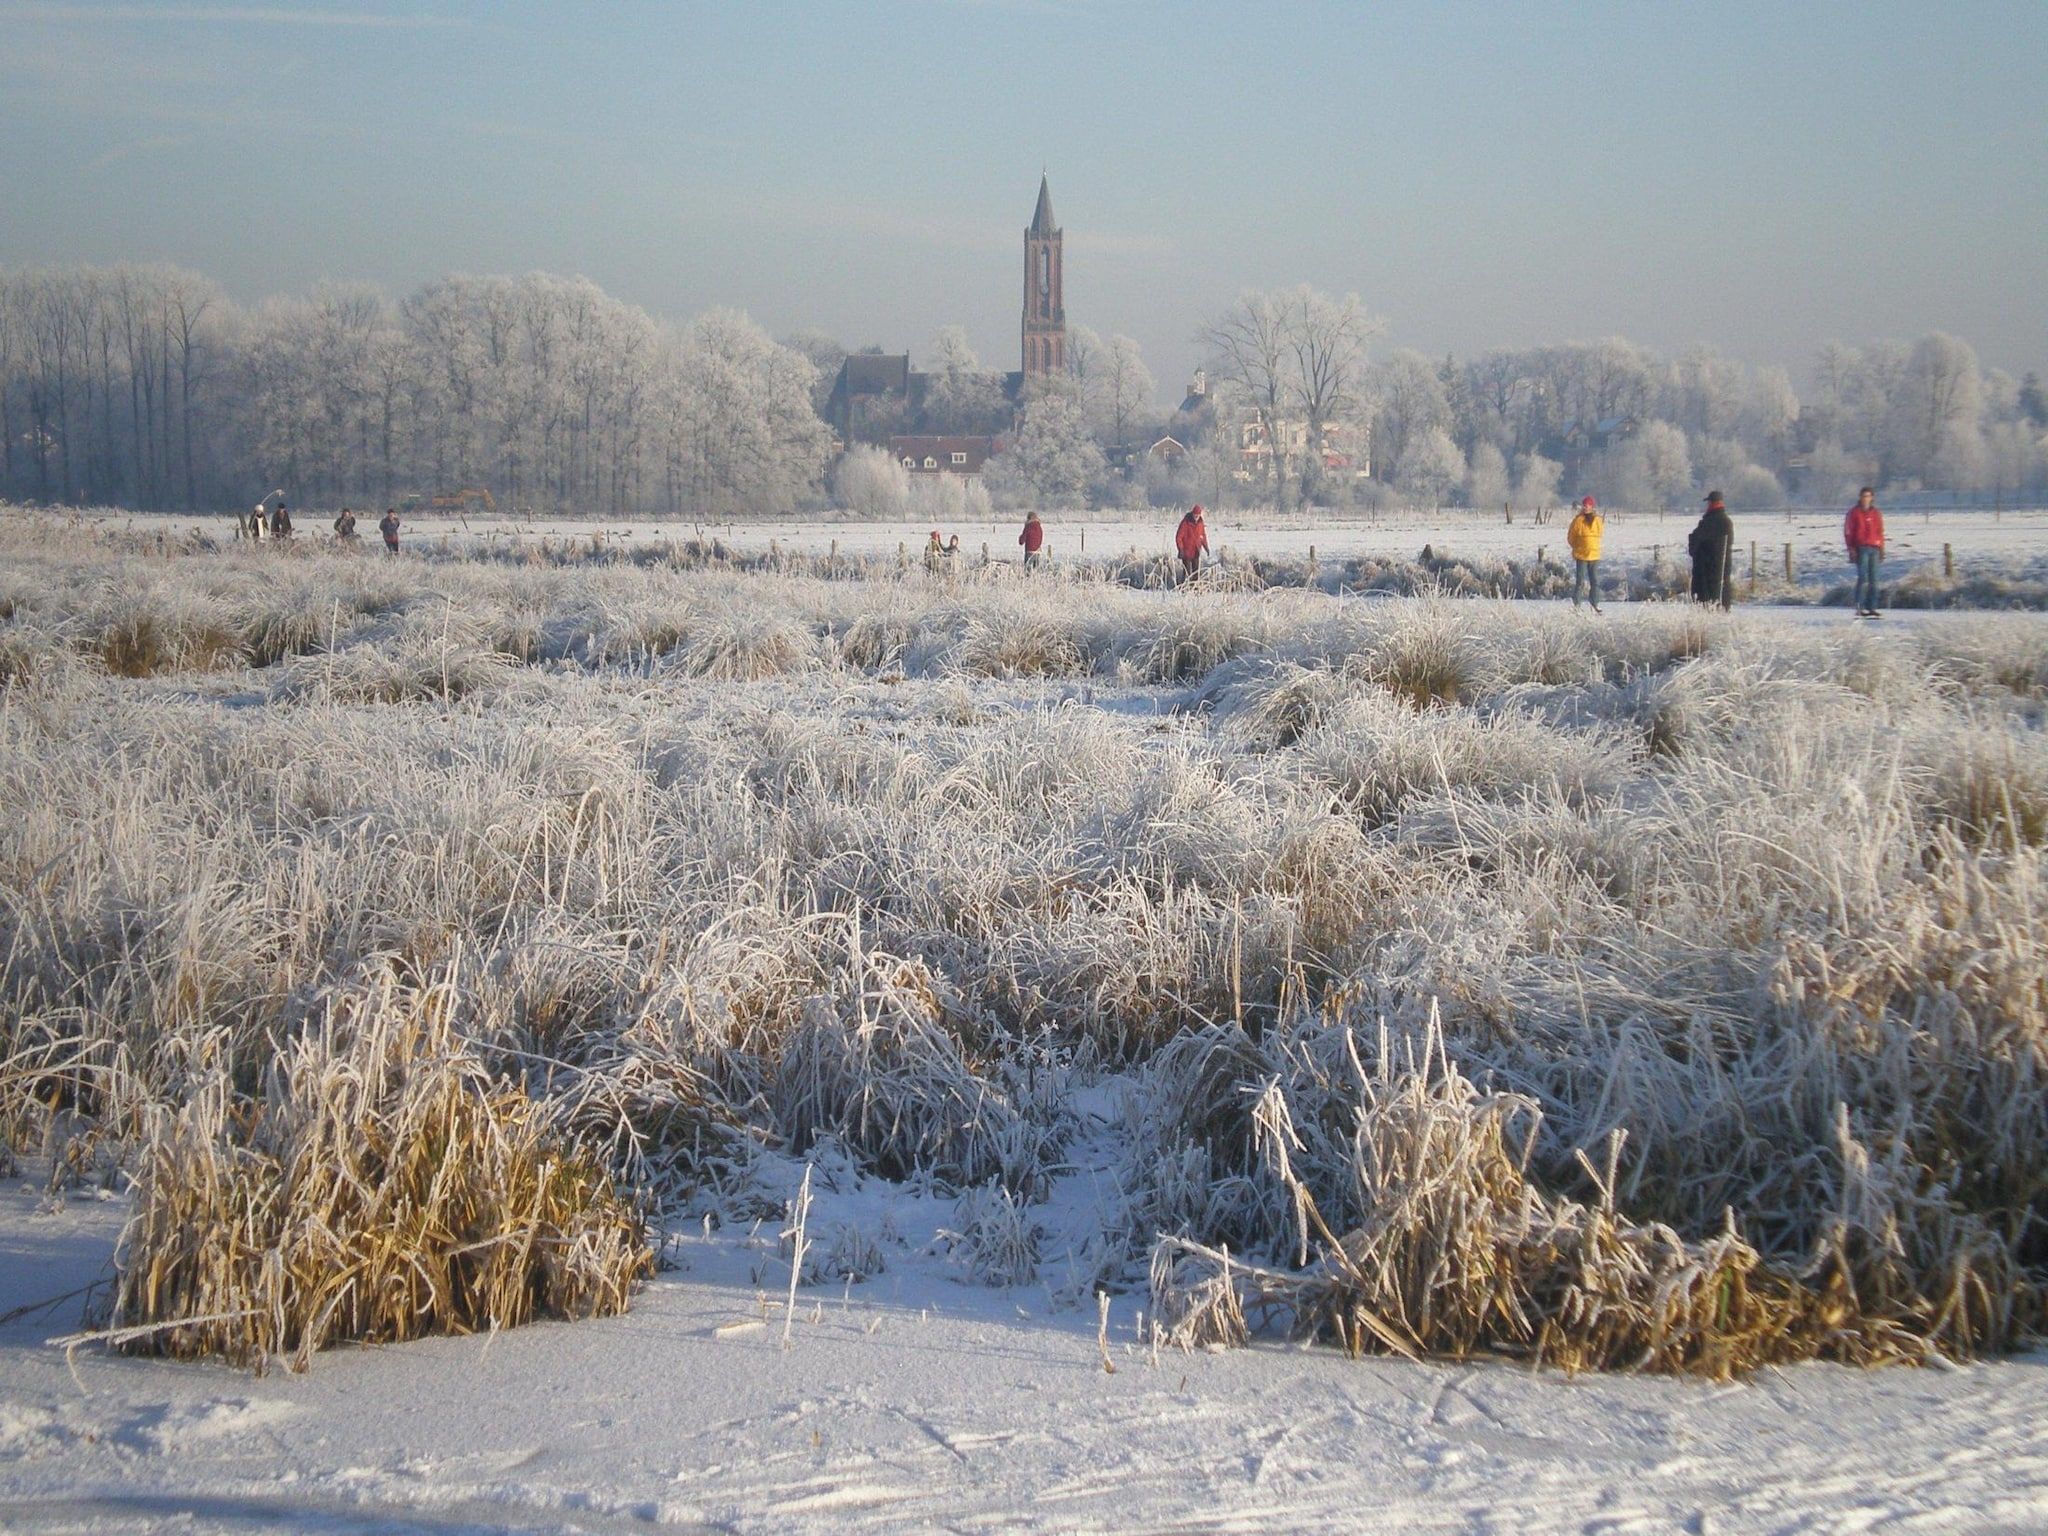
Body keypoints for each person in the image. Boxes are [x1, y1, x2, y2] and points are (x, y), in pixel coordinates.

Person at [1688, 491, 1734, 610]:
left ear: (1711, 503)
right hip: (1721, 569)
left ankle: (1708, 622)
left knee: (1706, 600)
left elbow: (1696, 540)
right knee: (1721, 598)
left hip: (1706, 570)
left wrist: (1692, 540)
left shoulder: (1710, 521)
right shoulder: (1726, 521)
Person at [1845, 486, 1885, 618]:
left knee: (1875, 579)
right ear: (1860, 497)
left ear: (1871, 498)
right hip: (1861, 548)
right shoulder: (1854, 513)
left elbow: (1880, 531)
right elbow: (1848, 532)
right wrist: (1851, 549)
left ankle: (1872, 607)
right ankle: (1859, 606)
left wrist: (1882, 548)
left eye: (1868, 496)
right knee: (1863, 578)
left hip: (1874, 547)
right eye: (1863, 496)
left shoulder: (1876, 513)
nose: (1865, 499)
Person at [1567, 495, 1604, 612]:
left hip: (1594, 555)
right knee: (1580, 582)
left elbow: (1600, 534)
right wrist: (1577, 547)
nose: (1586, 508)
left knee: (1595, 581)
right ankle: (1577, 605)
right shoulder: (1578, 520)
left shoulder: (1598, 520)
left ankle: (1595, 604)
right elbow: (1571, 537)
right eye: (1584, 506)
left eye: (1588, 506)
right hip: (1581, 555)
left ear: (1592, 507)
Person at [1175, 504, 1209, 581]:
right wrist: (1180, 549)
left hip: (1196, 551)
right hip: (1186, 551)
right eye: (1195, 515)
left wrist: (1206, 547)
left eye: (1198, 515)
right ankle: (1184, 586)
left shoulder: (1201, 523)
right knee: (1187, 572)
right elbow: (1178, 537)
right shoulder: (1185, 522)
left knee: (1196, 572)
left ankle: (1194, 588)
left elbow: (1203, 536)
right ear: (1192, 514)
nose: (1196, 517)